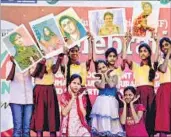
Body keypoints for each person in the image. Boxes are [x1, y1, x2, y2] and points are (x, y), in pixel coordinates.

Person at [122, 32, 159, 136]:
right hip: (139, 93)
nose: (142, 53)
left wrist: (156, 41)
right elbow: (124, 57)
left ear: (149, 53)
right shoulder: (135, 66)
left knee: (150, 116)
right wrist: (126, 42)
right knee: (140, 116)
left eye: (145, 51)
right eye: (141, 51)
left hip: (150, 94)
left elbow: (156, 57)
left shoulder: (152, 67)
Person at [61, 33, 93, 125]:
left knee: (84, 118)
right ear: (68, 53)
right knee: (70, 119)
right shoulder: (67, 67)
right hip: (70, 96)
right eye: (72, 51)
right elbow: (62, 62)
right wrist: (64, 44)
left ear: (78, 52)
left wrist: (90, 41)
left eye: (76, 51)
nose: (74, 53)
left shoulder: (83, 65)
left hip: (82, 94)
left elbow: (90, 58)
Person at [30, 55, 63, 137]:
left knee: (52, 118)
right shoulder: (33, 57)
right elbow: (34, 74)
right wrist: (40, 64)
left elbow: (54, 70)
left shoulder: (50, 56)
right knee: (39, 118)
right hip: (39, 88)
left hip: (50, 88)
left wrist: (59, 59)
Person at [91, 60, 125, 136]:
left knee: (112, 125)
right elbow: (102, 86)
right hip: (101, 104)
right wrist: (103, 76)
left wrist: (105, 74)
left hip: (111, 104)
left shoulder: (115, 77)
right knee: (101, 125)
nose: (102, 69)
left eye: (103, 67)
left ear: (107, 67)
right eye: (99, 68)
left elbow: (111, 85)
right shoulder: (96, 82)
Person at [6, 56, 34, 137]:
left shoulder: (29, 62)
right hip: (15, 100)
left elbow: (34, 74)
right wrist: (14, 64)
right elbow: (9, 77)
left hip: (29, 100)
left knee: (27, 129)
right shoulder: (9, 63)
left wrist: (32, 62)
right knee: (17, 128)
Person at [155, 37, 171, 136]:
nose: (164, 47)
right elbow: (163, 69)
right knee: (163, 118)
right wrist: (168, 54)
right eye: (162, 46)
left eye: (167, 44)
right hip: (164, 90)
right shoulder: (160, 59)